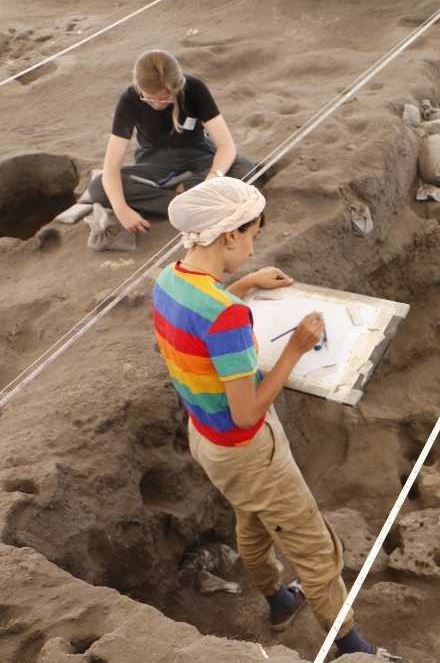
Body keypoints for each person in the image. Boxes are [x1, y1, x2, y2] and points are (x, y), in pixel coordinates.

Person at [151, 177, 403, 660]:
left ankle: (280, 601)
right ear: (228, 236)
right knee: (314, 547)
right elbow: (247, 410)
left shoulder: (169, 281)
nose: (251, 247)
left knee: (251, 519)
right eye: (250, 237)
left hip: (207, 439)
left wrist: (243, 285)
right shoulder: (227, 316)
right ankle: (352, 646)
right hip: (247, 446)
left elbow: (202, 315)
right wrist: (295, 348)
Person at [90, 49, 254, 234]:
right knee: (98, 188)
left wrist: (213, 178)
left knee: (243, 166)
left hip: (197, 153)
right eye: (150, 98)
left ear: (178, 86)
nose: (158, 104)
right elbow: (111, 164)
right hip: (155, 160)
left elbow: (226, 146)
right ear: (139, 87)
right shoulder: (130, 98)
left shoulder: (194, 88)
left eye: (166, 98)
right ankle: (188, 204)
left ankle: (185, 200)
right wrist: (121, 210)